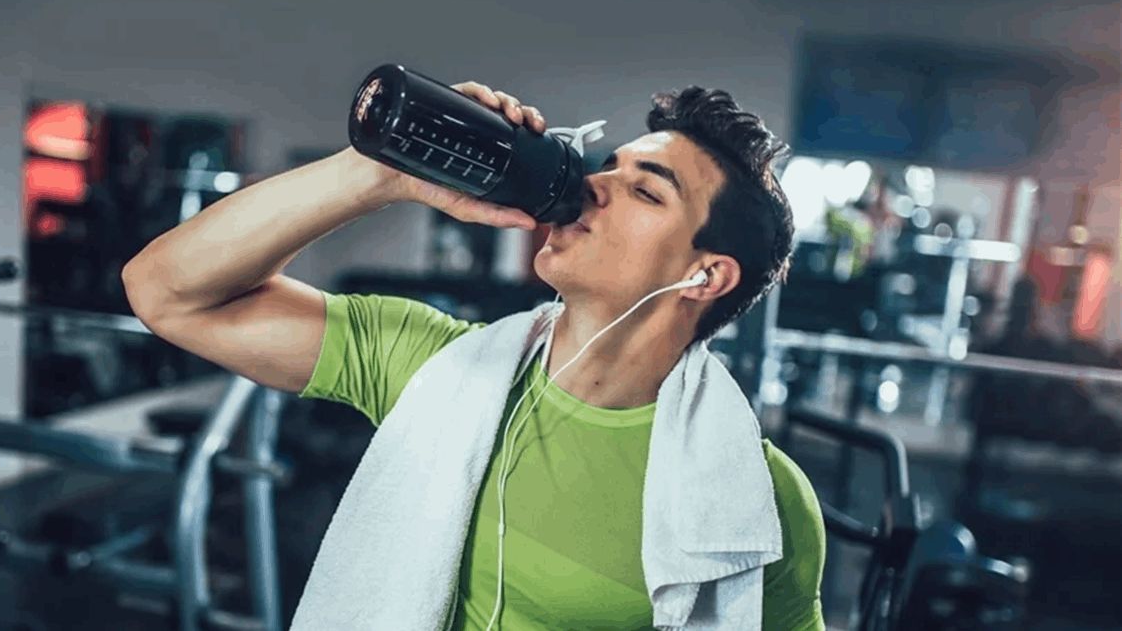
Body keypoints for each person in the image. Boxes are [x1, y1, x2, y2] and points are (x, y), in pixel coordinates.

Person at [123, 80, 825, 630]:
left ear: (705, 276)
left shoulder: (755, 502)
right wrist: (380, 174)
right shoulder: (434, 366)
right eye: (608, 166)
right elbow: (165, 293)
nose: (593, 185)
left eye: (644, 191)